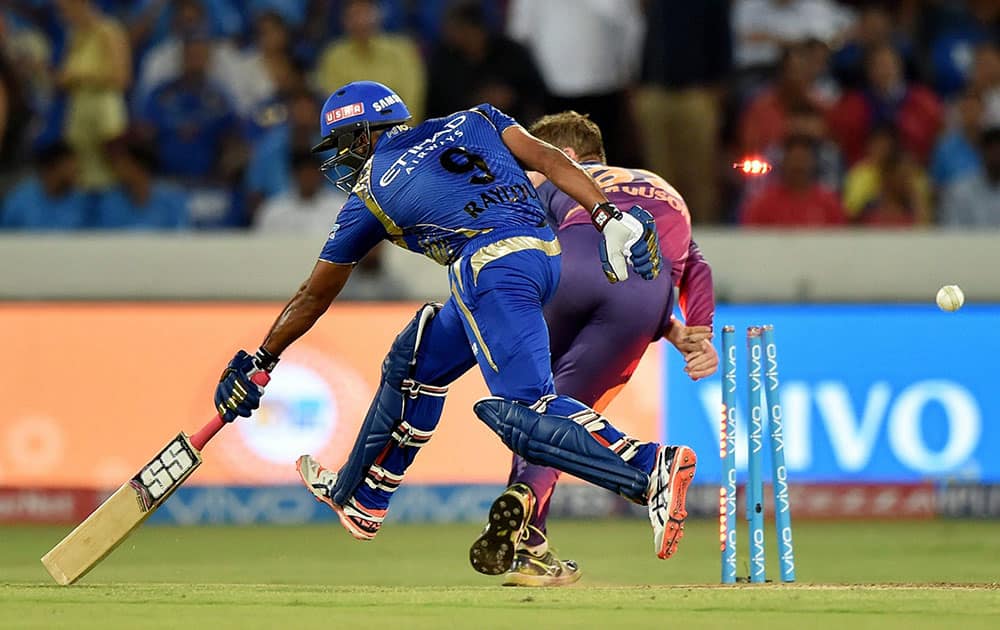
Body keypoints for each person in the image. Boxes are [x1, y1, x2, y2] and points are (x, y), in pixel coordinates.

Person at [212, 82, 698, 577]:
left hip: (489, 267)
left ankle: (648, 469)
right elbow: (551, 161)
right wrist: (607, 214)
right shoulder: (475, 118)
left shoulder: (372, 190)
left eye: (341, 144)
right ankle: (362, 495)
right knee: (417, 358)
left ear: (362, 137)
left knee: (523, 411)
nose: (340, 159)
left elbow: (315, 295)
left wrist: (262, 358)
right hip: (543, 256)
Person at [484, 111, 718, 586]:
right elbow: (693, 266)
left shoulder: (557, 175)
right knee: (559, 418)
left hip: (566, 272)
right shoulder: (659, 184)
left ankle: (529, 537)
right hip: (643, 297)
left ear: (564, 157)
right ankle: (529, 521)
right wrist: (697, 333)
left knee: (535, 407)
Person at [741, 134, 846, 227]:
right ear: (784, 162)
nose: (798, 165)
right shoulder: (763, 204)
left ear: (813, 163)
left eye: (803, 160)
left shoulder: (829, 205)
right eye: (794, 160)